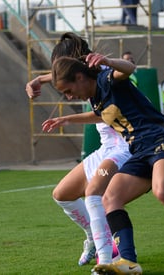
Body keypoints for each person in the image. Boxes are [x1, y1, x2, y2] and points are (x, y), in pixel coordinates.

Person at [46, 53, 164, 274]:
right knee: (109, 199)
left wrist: (109, 61)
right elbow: (100, 114)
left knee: (162, 191)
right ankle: (129, 263)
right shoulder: (96, 97)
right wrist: (66, 119)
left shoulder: (106, 79)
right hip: (139, 150)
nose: (69, 97)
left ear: (80, 77)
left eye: (68, 91)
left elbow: (129, 68)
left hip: (163, 139)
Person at [25, 32, 132, 267]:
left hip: (125, 148)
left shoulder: (104, 77)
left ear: (78, 67)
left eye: (60, 69)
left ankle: (106, 260)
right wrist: (37, 81)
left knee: (93, 193)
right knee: (61, 194)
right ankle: (94, 238)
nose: (57, 77)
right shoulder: (84, 77)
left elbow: (104, 110)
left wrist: (68, 119)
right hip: (107, 149)